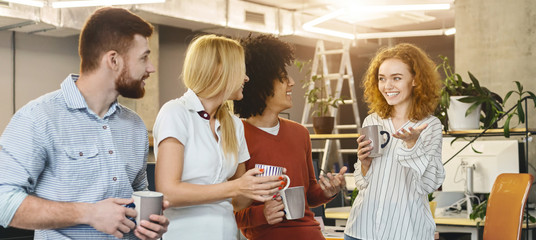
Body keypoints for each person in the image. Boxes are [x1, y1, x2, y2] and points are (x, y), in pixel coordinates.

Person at [0, 7, 169, 240]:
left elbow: (139, 191)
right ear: (113, 60)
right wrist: (89, 213)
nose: (151, 67)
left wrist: (149, 223)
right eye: (144, 57)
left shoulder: (135, 125)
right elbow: (4, 200)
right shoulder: (38, 118)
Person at [152, 34, 284, 240]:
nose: (246, 78)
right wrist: (236, 187)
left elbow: (237, 201)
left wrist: (258, 188)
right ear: (220, 69)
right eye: (241, 69)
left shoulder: (234, 125)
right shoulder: (176, 113)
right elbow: (168, 192)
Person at [233, 34, 347, 240]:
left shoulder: (300, 133)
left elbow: (309, 195)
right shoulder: (236, 134)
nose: (292, 82)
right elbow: (231, 207)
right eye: (283, 77)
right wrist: (262, 213)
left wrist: (328, 191)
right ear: (260, 85)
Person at [343, 43, 446, 240]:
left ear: (415, 80)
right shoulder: (372, 121)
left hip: (407, 232)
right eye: (382, 79)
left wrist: (412, 145)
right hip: (361, 230)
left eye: (396, 78)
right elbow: (362, 183)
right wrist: (364, 165)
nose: (387, 86)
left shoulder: (429, 126)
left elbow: (429, 185)